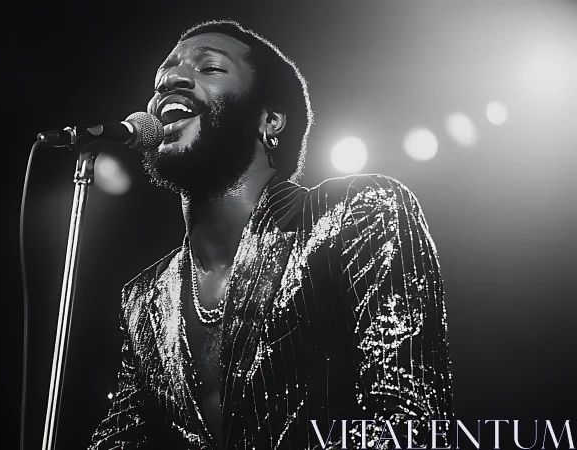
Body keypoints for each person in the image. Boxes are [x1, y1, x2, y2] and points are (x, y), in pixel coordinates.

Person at [89, 19, 453, 450]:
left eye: (210, 68)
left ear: (271, 120)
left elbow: (409, 420)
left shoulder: (357, 212)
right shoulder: (145, 299)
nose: (173, 79)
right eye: (163, 76)